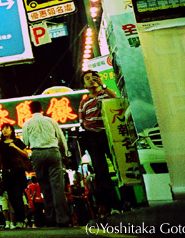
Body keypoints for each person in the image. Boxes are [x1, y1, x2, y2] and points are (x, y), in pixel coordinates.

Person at [21, 100, 70, 227]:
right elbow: (60, 138)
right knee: (57, 187)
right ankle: (62, 219)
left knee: (45, 187)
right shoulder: (51, 121)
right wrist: (65, 154)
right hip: (53, 151)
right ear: (41, 109)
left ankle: (50, 218)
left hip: (37, 153)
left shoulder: (27, 123)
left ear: (30, 110)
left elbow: (25, 141)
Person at [78, 70, 121, 217]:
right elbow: (81, 121)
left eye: (93, 77)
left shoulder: (106, 93)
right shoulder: (84, 102)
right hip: (93, 139)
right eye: (87, 79)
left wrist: (103, 85)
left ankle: (129, 202)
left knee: (120, 167)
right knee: (102, 173)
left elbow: (116, 98)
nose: (91, 80)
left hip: (111, 134)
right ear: (84, 84)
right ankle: (114, 205)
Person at [0, 123, 28, 229]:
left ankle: (21, 220)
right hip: (6, 173)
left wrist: (14, 147)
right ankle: (20, 220)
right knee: (11, 198)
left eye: (7, 128)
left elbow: (25, 154)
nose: (5, 131)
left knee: (18, 195)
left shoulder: (17, 141)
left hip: (18, 173)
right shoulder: (1, 145)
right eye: (3, 129)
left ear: (12, 130)